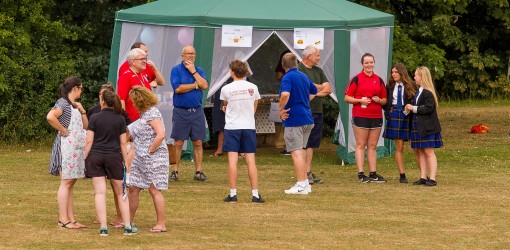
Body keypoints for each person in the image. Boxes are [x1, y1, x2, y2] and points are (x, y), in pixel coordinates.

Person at [84, 90, 137, 236]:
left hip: (96, 156)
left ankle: (103, 227)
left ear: (102, 101)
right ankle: (127, 226)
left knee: (100, 193)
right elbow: (122, 143)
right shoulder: (120, 119)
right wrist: (126, 161)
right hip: (114, 157)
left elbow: (89, 140)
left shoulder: (94, 118)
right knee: (121, 193)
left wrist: (85, 157)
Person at [46, 76, 88, 229]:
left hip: (74, 149)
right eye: (81, 88)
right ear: (75, 88)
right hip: (66, 149)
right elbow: (50, 117)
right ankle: (63, 219)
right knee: (66, 183)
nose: (82, 90)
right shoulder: (63, 103)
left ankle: (71, 218)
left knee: (70, 182)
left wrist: (83, 111)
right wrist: (63, 129)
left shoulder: (74, 105)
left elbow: (86, 126)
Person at [220, 60, 264, 203]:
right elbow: (255, 105)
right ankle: (255, 194)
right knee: (250, 161)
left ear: (232, 72)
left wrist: (227, 109)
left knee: (233, 161)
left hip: (232, 127)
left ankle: (233, 194)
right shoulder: (253, 87)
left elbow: (225, 105)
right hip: (248, 126)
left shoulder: (226, 88)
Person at [128, 86, 169, 233]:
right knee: (133, 187)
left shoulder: (152, 113)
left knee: (154, 189)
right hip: (140, 158)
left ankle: (161, 223)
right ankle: (129, 221)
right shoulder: (143, 115)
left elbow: (161, 134)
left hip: (154, 157)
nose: (131, 103)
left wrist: (150, 150)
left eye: (133, 100)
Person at [344, 53, 387, 183]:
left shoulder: (379, 79)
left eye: (371, 62)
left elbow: (385, 100)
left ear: (374, 63)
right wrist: (359, 101)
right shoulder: (356, 79)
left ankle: (373, 173)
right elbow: (346, 98)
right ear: (362, 64)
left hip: (376, 115)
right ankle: (361, 173)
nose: (369, 65)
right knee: (361, 144)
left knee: (373, 145)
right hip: (360, 115)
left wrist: (379, 100)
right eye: (366, 63)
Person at [279, 53, 318, 195]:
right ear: (296, 63)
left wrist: (281, 109)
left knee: (295, 152)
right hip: (307, 118)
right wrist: (304, 102)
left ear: (283, 65)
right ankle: (305, 183)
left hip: (294, 119)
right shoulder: (303, 76)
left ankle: (301, 183)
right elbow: (314, 91)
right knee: (300, 151)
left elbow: (285, 95)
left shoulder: (287, 77)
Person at [169, 45, 209, 182]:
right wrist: (195, 85)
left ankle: (198, 171)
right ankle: (175, 171)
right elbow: (178, 88)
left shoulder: (199, 70)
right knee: (179, 141)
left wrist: (193, 72)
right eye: (187, 54)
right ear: (182, 55)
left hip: (196, 111)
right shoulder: (176, 70)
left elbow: (204, 85)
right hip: (181, 111)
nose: (190, 56)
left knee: (198, 142)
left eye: (192, 53)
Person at [298, 45, 332, 184]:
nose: (319, 58)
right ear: (310, 56)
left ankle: (308, 172)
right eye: (317, 55)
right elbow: (303, 87)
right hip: (303, 111)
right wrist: (317, 87)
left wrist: (313, 91)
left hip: (317, 111)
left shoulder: (319, 70)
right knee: (302, 144)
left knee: (311, 144)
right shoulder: (299, 70)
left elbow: (328, 89)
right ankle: (302, 174)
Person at [405, 66, 443, 187]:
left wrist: (413, 108)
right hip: (419, 126)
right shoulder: (419, 92)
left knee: (429, 152)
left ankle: (432, 178)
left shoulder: (428, 93)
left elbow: (428, 108)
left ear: (422, 77)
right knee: (420, 151)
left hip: (427, 127)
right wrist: (408, 109)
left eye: (416, 75)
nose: (414, 77)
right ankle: (423, 176)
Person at [383, 63, 416, 183]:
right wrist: (389, 111)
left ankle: (424, 175)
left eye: (396, 72)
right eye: (392, 72)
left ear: (402, 72)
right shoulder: (390, 86)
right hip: (395, 115)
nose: (393, 74)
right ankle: (402, 175)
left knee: (416, 146)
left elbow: (416, 99)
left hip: (409, 116)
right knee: (399, 147)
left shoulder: (411, 85)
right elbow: (385, 101)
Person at [118, 48, 152, 122]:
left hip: (147, 117)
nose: (144, 61)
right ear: (133, 61)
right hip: (133, 120)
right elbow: (121, 100)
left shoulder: (143, 75)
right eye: (142, 59)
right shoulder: (125, 76)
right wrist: (124, 121)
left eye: (145, 59)